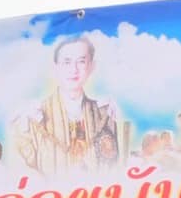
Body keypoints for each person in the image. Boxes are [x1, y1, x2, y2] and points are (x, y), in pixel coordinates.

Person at [12, 35, 123, 176]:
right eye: (67, 62)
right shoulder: (33, 116)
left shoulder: (103, 115)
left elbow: (113, 166)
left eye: (81, 62)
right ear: (55, 67)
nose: (74, 70)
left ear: (91, 66)